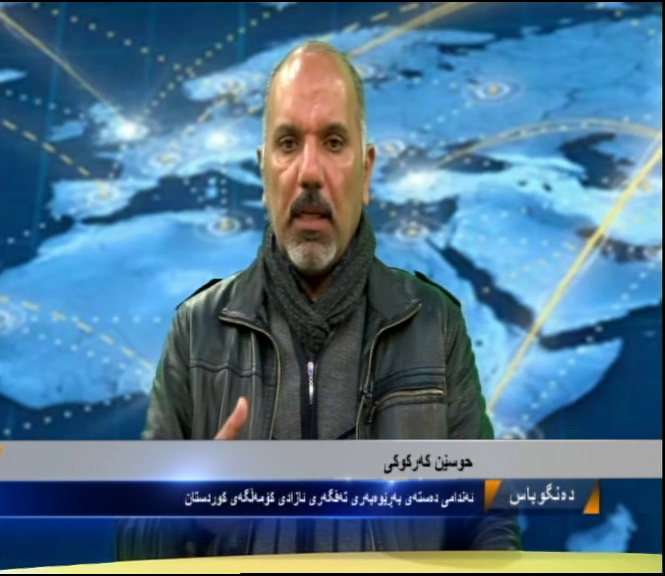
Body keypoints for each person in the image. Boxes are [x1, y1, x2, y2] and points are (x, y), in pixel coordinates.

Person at [116, 40, 521, 559]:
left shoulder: (432, 323)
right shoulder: (198, 330)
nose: (309, 172)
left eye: (333, 142)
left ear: (366, 172)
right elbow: (134, 540)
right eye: (288, 143)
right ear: (263, 172)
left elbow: (486, 520)